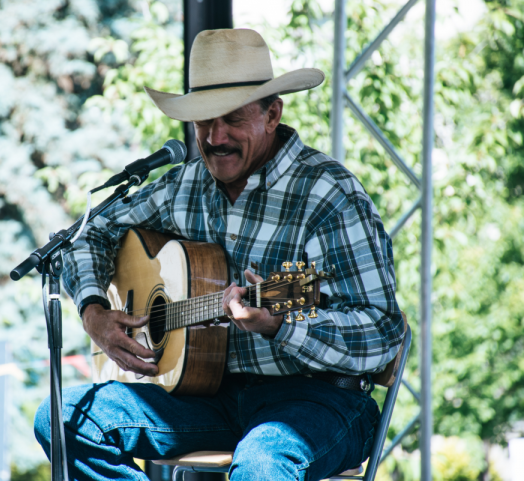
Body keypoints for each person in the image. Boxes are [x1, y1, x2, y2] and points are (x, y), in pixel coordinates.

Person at [34, 28, 405, 481]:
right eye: (203, 122)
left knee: (263, 461)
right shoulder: (184, 186)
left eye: (232, 119)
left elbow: (381, 330)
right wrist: (93, 309)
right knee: (65, 418)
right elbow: (90, 234)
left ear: (273, 114)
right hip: (212, 394)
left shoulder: (327, 194)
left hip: (318, 399)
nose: (215, 136)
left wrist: (281, 325)